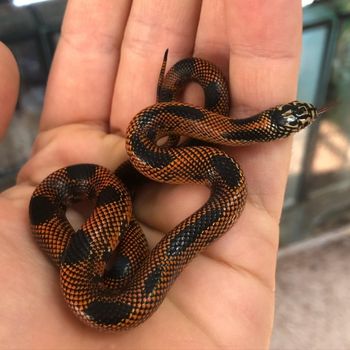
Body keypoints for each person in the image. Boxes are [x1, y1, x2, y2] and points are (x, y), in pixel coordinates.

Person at [0, 1, 302, 348]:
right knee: (116, 185)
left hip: (109, 210)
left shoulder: (209, 166)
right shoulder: (164, 151)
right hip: (95, 222)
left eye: (291, 118)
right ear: (271, 126)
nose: (294, 115)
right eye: (291, 116)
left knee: (119, 184)